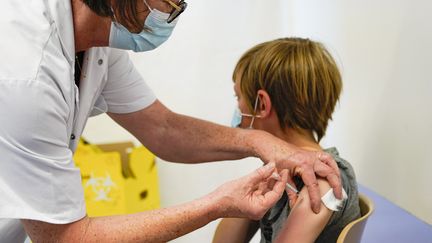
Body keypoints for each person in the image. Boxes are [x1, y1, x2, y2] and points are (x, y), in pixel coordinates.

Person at [0, 1, 343, 242]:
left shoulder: (98, 44)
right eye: (170, 1)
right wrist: (217, 203)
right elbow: (68, 238)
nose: (174, 13)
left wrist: (260, 143)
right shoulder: (24, 74)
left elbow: (163, 128)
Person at [213, 37, 361, 243]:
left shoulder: (323, 181)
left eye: (238, 97)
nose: (238, 108)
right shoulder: (275, 174)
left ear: (262, 105)